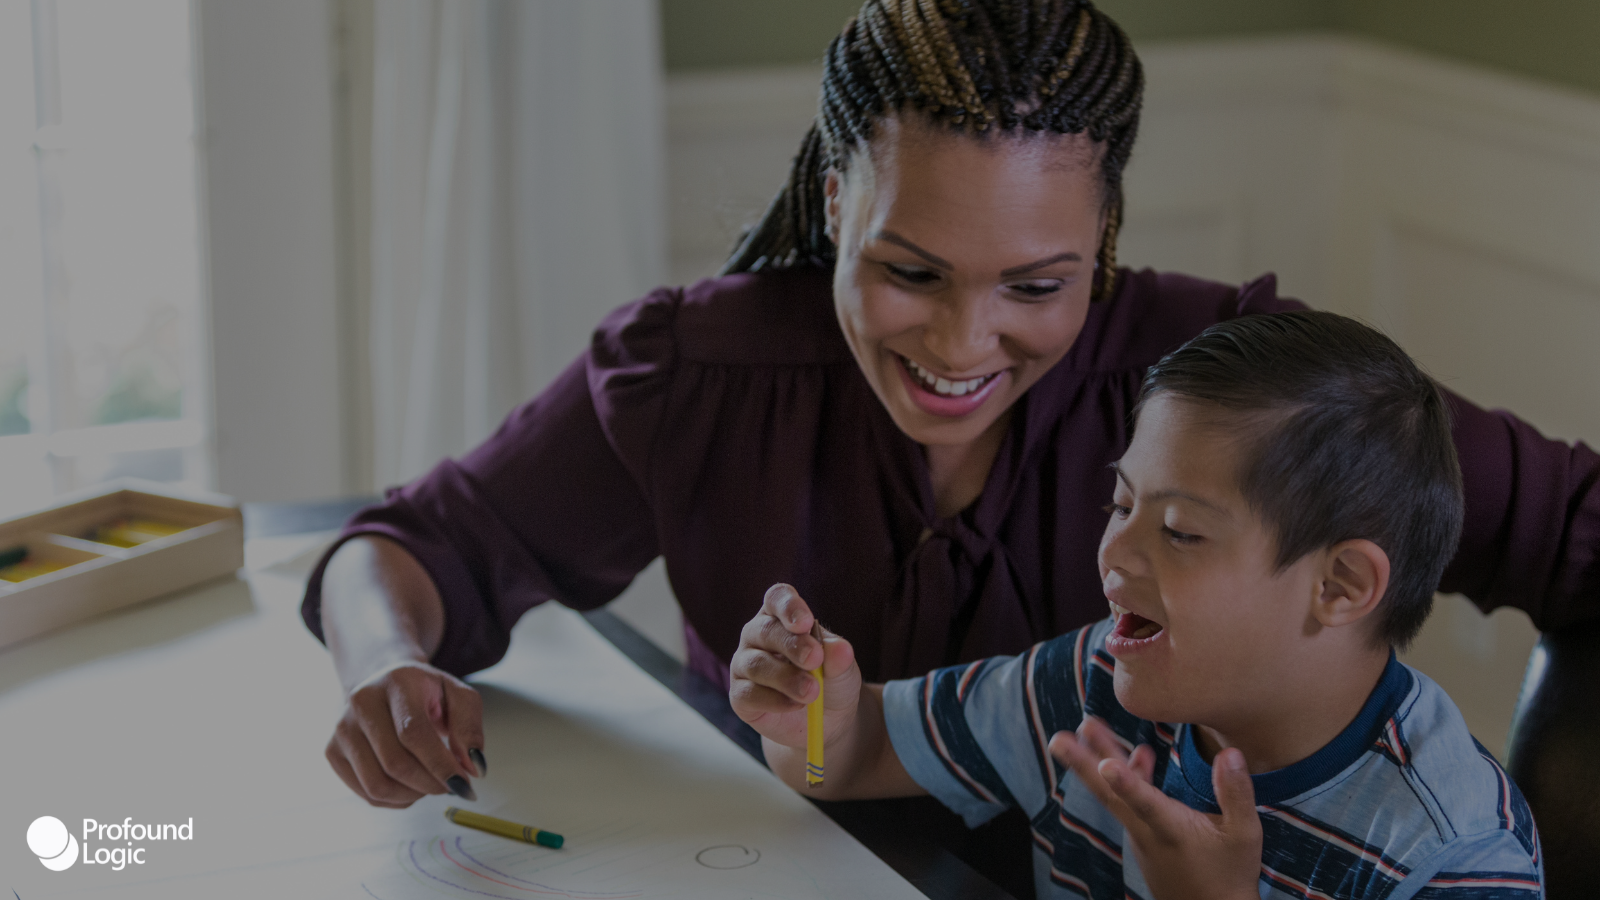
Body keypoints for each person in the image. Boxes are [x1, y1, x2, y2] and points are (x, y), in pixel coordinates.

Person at [301, 0, 1600, 818]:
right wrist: (387, 666)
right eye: (907, 272)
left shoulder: (1237, 386)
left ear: (1104, 236)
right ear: (831, 212)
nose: (964, 345)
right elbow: (415, 545)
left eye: (1038, 285)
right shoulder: (697, 372)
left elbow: (1577, 523)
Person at [733, 311, 1543, 899]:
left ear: (1339, 587)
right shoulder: (1090, 682)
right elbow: (852, 758)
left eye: (1181, 530)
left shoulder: (1453, 849)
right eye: (1122, 505)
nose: (1115, 552)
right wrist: (814, 719)